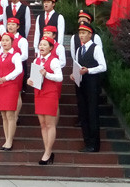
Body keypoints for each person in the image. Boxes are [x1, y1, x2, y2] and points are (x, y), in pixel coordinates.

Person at [71, 23, 107, 153]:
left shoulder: (96, 48)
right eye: (80, 33)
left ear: (90, 34)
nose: (81, 36)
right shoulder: (79, 50)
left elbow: (103, 66)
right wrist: (74, 74)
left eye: (84, 33)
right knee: (83, 113)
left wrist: (89, 70)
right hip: (81, 85)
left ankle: (94, 144)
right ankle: (87, 141)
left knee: (92, 113)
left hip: (92, 84)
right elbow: (77, 65)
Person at [27, 35, 63, 165]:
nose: (41, 47)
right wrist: (30, 80)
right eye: (40, 44)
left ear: (51, 48)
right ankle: (47, 151)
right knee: (42, 124)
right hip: (39, 94)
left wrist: (47, 74)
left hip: (50, 94)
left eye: (44, 45)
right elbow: (34, 77)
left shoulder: (54, 61)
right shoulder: (36, 60)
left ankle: (47, 152)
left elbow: (60, 77)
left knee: (49, 124)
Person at [0, 32, 22, 151]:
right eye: (3, 40)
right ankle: (6, 139)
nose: (4, 42)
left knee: (10, 114)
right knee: (3, 115)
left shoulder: (16, 55)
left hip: (11, 86)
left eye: (7, 40)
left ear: (12, 42)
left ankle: (10, 141)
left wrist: (6, 78)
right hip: (1, 86)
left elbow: (19, 69)